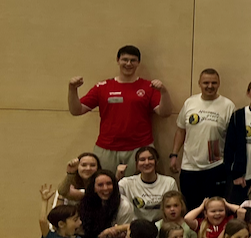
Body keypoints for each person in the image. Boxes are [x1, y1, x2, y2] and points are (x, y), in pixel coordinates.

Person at [67, 45, 172, 175]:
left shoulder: (148, 87)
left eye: (133, 60)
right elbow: (76, 110)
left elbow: (165, 112)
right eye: (125, 59)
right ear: (118, 60)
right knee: (104, 188)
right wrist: (72, 89)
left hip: (140, 148)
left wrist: (164, 91)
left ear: (138, 63)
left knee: (138, 190)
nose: (128, 63)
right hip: (106, 148)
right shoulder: (102, 87)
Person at [172, 68, 236, 209]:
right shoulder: (190, 102)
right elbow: (181, 130)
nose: (210, 86)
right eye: (206, 82)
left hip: (215, 166)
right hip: (189, 167)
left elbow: (232, 139)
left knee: (214, 209)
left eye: (214, 83)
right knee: (191, 208)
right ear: (199, 83)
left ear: (219, 84)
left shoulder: (228, 105)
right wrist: (174, 155)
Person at [79, 171, 134, 238]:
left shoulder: (124, 205)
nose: (105, 188)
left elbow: (126, 235)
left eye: (109, 184)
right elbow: (64, 191)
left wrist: (111, 233)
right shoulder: (87, 201)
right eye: (100, 185)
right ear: (94, 188)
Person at [117, 147, 177, 222]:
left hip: (162, 226)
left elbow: (176, 208)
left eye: (150, 158)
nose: (147, 162)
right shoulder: (126, 183)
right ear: (137, 164)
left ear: (156, 162)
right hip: (136, 227)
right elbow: (113, 200)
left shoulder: (169, 182)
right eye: (142, 160)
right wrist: (117, 177)